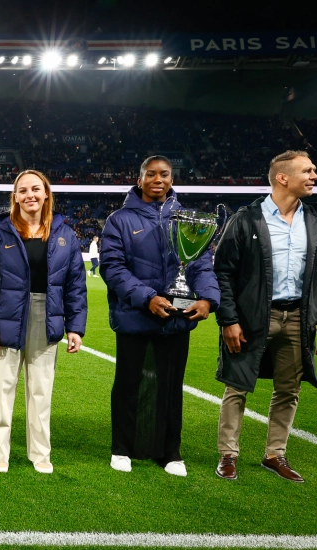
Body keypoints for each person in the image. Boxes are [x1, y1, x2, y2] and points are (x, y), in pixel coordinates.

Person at [214, 150, 317, 483]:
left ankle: (274, 455)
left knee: (289, 389)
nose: (315, 175)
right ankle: (228, 455)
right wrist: (229, 319)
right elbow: (222, 271)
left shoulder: (315, 219)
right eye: (307, 170)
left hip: (299, 316)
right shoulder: (247, 219)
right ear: (283, 178)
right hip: (253, 317)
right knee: (237, 386)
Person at [99, 155, 219, 477]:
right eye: (150, 174)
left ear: (171, 179)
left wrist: (208, 299)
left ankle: (170, 452)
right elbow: (112, 268)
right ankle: (121, 448)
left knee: (170, 386)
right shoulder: (119, 220)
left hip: (176, 320)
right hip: (135, 316)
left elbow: (200, 266)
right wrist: (147, 298)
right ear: (139, 180)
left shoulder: (188, 220)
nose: (157, 179)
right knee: (128, 384)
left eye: (164, 174)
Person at [0, 170, 87, 474]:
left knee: (41, 391)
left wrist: (75, 326)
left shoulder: (64, 235)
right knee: (2, 389)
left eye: (35, 189)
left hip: (46, 316)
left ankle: (40, 453)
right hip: (7, 317)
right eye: (22, 191)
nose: (30, 195)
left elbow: (75, 285)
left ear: (46, 193)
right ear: (15, 197)